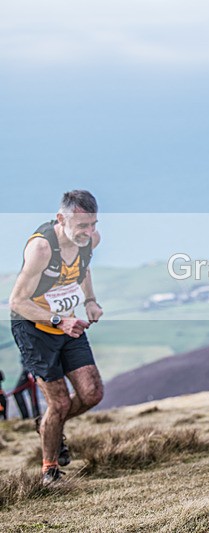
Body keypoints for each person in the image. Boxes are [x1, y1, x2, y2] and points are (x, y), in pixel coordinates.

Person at [9, 190, 104, 484]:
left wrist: (89, 300)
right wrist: (58, 320)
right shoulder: (41, 249)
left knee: (92, 393)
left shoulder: (91, 240)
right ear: (62, 219)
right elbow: (16, 301)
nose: (89, 232)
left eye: (93, 224)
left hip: (68, 325)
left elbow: (83, 268)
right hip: (34, 329)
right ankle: (49, 470)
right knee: (60, 404)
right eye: (82, 226)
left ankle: (48, 425)